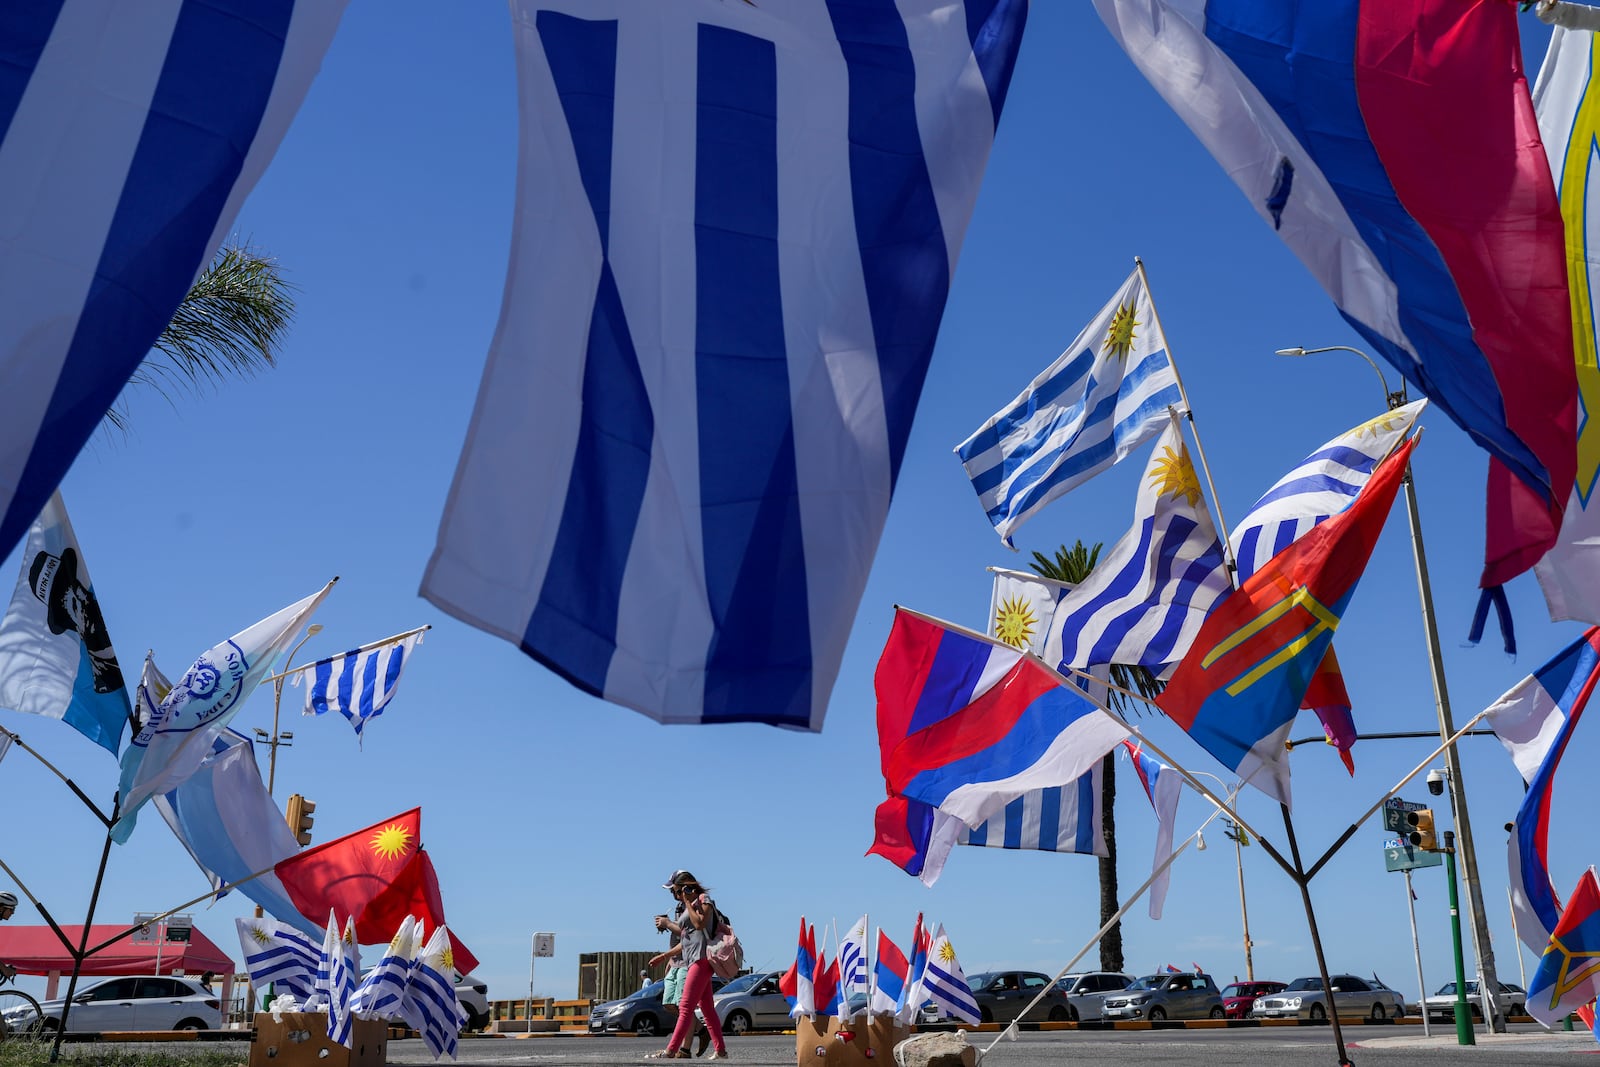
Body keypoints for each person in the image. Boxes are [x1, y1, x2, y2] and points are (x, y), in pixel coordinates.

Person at [647, 873, 727, 1061]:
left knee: (684, 1006)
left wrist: (689, 902)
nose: (676, 895)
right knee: (706, 1007)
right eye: (675, 893)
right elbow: (686, 940)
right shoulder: (685, 906)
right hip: (692, 960)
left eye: (677, 891)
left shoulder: (703, 900)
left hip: (702, 961)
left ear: (687, 887)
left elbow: (699, 924)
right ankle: (721, 1050)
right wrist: (665, 956)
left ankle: (671, 1050)